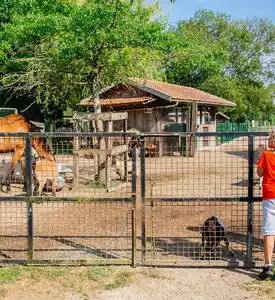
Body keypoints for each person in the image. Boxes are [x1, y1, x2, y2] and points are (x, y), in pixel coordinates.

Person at [257, 130, 275, 278]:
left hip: (270, 195)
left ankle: (268, 265)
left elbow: (259, 173)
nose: (268, 139)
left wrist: (260, 153)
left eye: (270, 138)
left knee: (269, 230)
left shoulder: (267, 155)